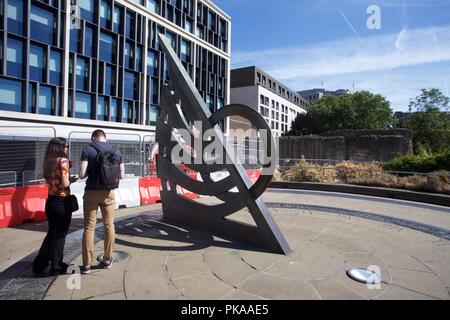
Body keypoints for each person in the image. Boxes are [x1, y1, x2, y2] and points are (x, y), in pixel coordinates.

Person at [78, 130, 124, 274]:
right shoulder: (116, 151)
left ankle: (86, 265)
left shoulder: (88, 150)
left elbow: (81, 175)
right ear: (105, 138)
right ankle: (107, 259)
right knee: (109, 225)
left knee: (89, 228)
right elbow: (121, 175)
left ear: (93, 138)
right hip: (108, 193)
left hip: (91, 192)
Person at [33, 138, 78, 276]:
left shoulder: (47, 161)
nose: (67, 148)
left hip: (51, 200)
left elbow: (51, 180)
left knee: (52, 234)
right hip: (62, 202)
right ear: (61, 147)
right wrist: (71, 180)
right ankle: (56, 266)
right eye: (66, 146)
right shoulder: (62, 161)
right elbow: (64, 183)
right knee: (60, 235)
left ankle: (39, 264)